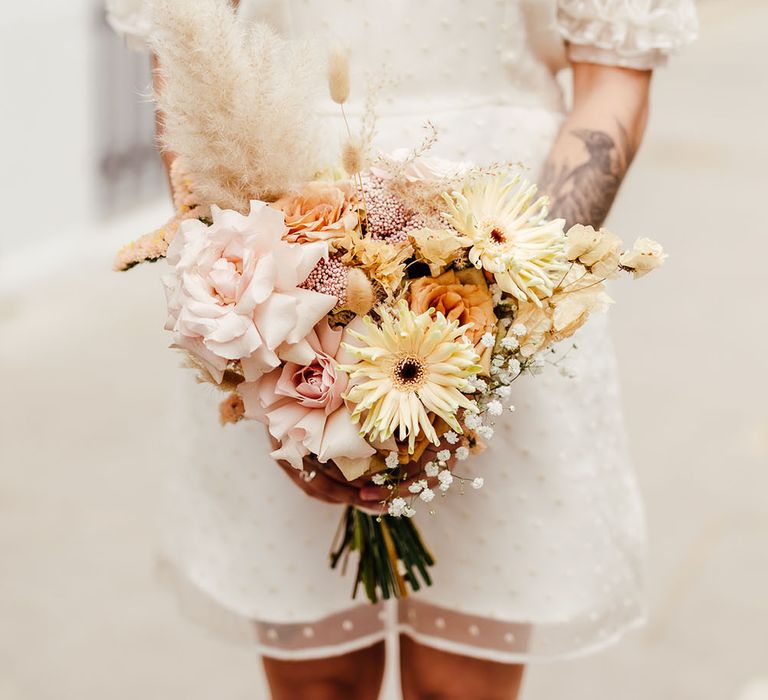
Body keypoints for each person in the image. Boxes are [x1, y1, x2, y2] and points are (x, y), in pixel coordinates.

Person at [107, 1, 697, 698]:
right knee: (318, 683)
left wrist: (501, 311)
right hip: (274, 226)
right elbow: (188, 53)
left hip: (503, 233)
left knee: (461, 684)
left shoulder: (505, 290)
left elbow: (612, 79)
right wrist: (267, 333)